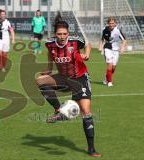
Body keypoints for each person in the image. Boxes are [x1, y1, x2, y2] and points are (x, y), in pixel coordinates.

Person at [36, 12, 101, 157]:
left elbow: (88, 45)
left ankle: (91, 149)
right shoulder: (49, 43)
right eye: (59, 34)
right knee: (40, 81)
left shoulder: (75, 41)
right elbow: (50, 54)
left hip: (80, 78)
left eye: (64, 33)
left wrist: (87, 54)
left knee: (85, 110)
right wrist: (49, 68)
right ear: (55, 34)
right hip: (63, 78)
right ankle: (59, 110)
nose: (62, 36)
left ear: (68, 33)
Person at [98, 17, 126, 87]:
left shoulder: (118, 30)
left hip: (116, 50)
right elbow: (102, 39)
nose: (111, 25)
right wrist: (100, 46)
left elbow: (124, 40)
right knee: (110, 65)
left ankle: (106, 78)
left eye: (112, 23)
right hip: (107, 49)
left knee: (113, 67)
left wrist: (122, 47)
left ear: (115, 23)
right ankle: (110, 82)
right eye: (110, 23)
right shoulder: (105, 30)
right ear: (108, 23)